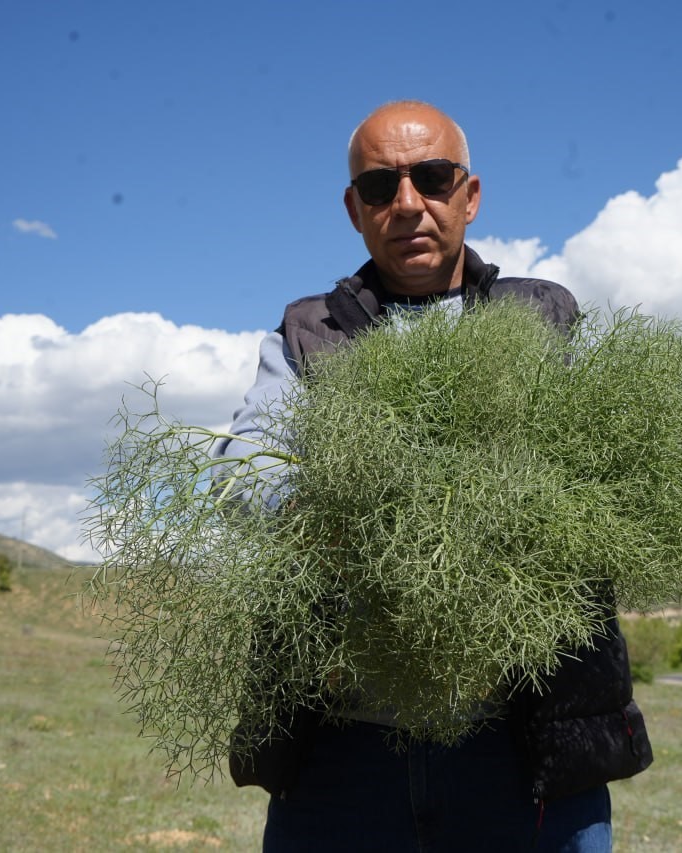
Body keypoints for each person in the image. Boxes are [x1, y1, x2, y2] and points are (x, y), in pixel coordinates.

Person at [213, 100, 652, 852]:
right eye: (380, 187)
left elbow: (612, 477)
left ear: (469, 195)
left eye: (433, 177)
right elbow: (243, 475)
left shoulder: (545, 320)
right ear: (355, 209)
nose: (408, 203)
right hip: (344, 756)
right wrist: (357, 512)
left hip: (523, 747)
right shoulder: (304, 332)